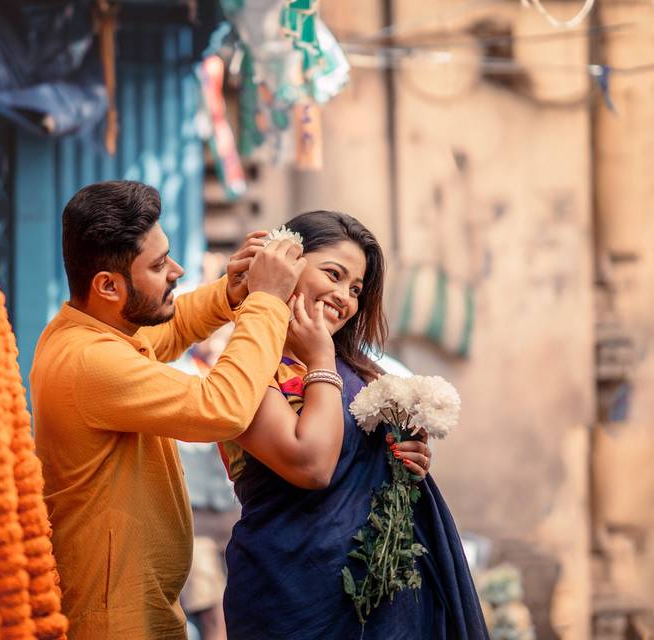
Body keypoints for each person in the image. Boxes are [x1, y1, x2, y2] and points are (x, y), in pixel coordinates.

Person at [30, 181, 306, 639]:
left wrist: (230, 294)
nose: (176, 270)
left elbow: (169, 330)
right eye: (158, 266)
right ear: (108, 286)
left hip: (141, 608)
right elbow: (222, 408)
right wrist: (267, 302)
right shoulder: (90, 360)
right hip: (113, 624)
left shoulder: (97, 331)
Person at [220, 211, 490, 639]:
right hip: (294, 595)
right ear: (286, 261)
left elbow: (363, 467)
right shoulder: (246, 368)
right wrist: (320, 359)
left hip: (387, 597)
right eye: (333, 274)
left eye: (356, 289)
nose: (344, 296)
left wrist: (405, 458)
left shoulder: (360, 370)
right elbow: (312, 466)